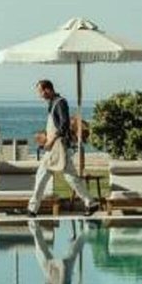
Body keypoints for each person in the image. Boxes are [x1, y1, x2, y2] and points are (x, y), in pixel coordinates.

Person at [27, 80, 98, 217]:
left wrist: (51, 141)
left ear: (48, 90)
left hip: (57, 147)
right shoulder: (53, 104)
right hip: (56, 147)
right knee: (68, 177)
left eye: (40, 92)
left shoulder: (60, 103)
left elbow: (64, 125)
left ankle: (32, 209)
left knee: (44, 176)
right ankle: (91, 203)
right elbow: (55, 125)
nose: (40, 95)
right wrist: (45, 137)